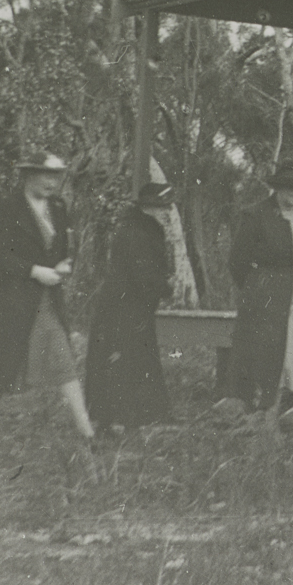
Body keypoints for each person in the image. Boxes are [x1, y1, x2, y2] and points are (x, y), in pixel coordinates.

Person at [0, 151, 94, 441]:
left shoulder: (59, 208)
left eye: (56, 176)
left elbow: (64, 249)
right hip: (12, 298)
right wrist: (34, 271)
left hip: (47, 299)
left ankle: (85, 430)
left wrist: (63, 265)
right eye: (45, 175)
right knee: (3, 362)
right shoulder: (9, 208)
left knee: (63, 357)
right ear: (28, 176)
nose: (51, 182)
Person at [227, 158, 293, 415]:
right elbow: (237, 262)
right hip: (267, 294)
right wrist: (258, 288)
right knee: (269, 347)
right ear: (278, 187)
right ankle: (264, 406)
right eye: (289, 187)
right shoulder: (256, 214)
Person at [84, 179, 177, 437]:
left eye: (167, 208)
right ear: (148, 208)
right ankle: (114, 421)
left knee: (132, 362)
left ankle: (129, 419)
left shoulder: (143, 228)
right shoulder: (137, 232)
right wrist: (166, 287)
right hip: (122, 309)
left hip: (132, 308)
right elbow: (142, 275)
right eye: (162, 208)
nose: (166, 213)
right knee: (120, 362)